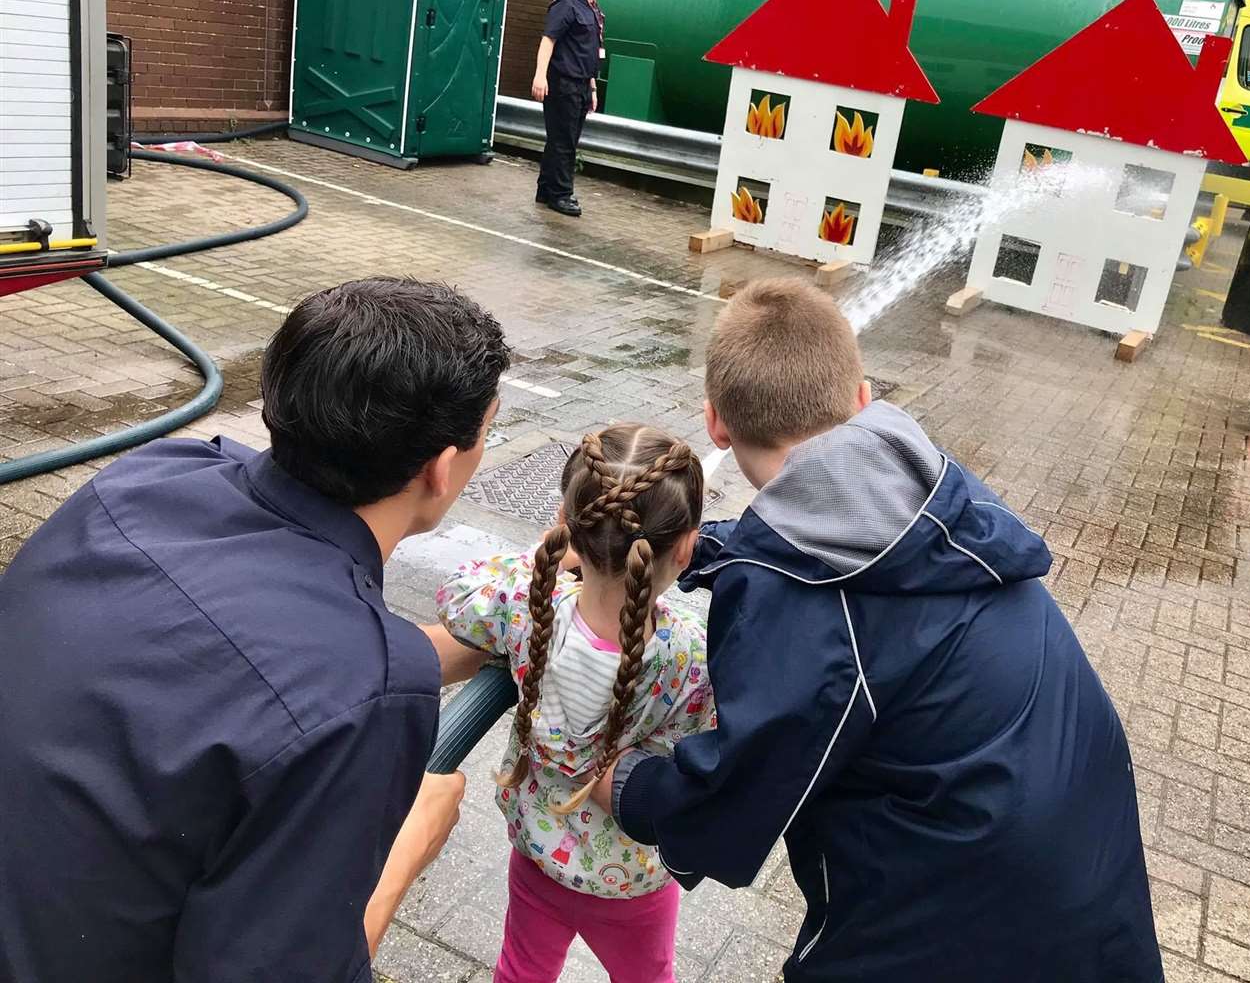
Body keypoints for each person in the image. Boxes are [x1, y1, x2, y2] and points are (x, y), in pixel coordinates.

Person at [596, 279, 1163, 982]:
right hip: (1088, 896)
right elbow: (812, 563)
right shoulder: (934, 504)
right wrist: (695, 551)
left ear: (715, 423)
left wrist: (624, 786)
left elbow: (733, 803)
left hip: (954, 927)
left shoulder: (804, 606)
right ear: (861, 397)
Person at [0, 277, 513, 982]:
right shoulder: (363, 695)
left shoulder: (156, 475)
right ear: (443, 466)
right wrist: (405, 854)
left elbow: (274, 681)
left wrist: (520, 615)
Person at [429, 425, 716, 983]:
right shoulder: (694, 654)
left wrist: (544, 555)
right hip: (633, 876)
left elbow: (457, 596)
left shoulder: (525, 607)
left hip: (538, 853)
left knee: (521, 971)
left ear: (567, 526)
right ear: (685, 546)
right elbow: (704, 740)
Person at [533, 0, 606, 218]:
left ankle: (545, 190)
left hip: (582, 86)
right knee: (565, 143)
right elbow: (548, 40)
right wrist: (540, 75)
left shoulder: (595, 10)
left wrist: (593, 88)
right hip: (563, 84)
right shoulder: (567, 5)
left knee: (562, 140)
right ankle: (561, 195)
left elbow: (591, 53)